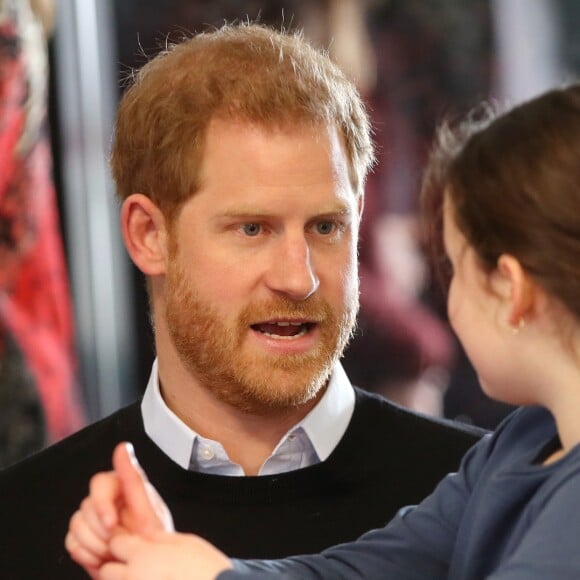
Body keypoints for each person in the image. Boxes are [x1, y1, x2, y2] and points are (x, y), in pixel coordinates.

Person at [0, 23, 483, 578]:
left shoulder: (492, 495)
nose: (297, 278)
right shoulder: (19, 523)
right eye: (253, 229)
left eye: (326, 227)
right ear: (148, 235)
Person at [67, 83, 580, 580]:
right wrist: (191, 565)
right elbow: (370, 570)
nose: (298, 277)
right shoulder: (521, 442)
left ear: (512, 290)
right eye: (252, 228)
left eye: (455, 266)